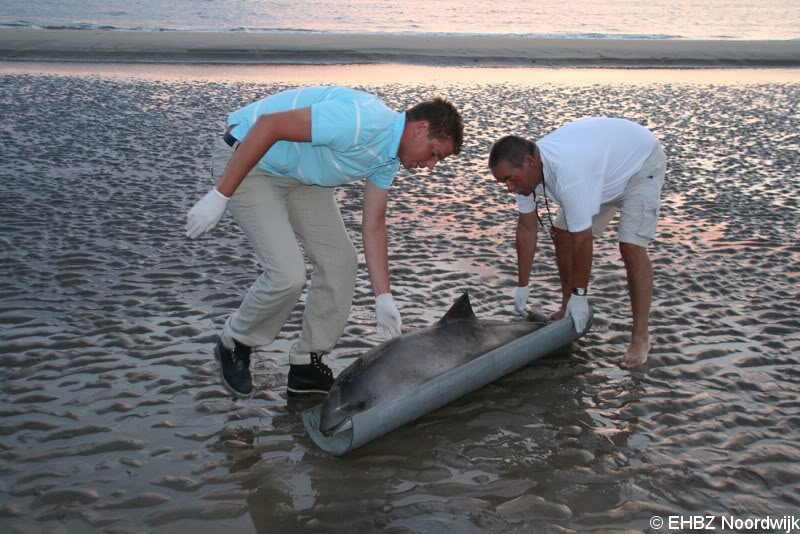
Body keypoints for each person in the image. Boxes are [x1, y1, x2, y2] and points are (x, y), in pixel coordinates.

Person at [185, 86, 463, 397]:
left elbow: (373, 225)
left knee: (341, 262)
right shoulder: (361, 120)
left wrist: (383, 297)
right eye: (435, 153)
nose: (431, 165)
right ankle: (234, 343)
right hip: (250, 161)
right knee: (287, 275)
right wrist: (220, 195)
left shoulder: (387, 160)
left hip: (302, 179)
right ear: (421, 129)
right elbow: (269, 126)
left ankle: (306, 362)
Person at [488, 117, 666, 368]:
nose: (508, 187)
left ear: (529, 163)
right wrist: (523, 285)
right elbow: (527, 228)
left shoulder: (570, 174)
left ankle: (640, 337)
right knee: (561, 233)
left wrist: (581, 295)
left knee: (630, 247)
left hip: (640, 166)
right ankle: (566, 305)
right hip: (600, 175)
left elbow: (582, 239)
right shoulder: (526, 176)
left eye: (509, 179)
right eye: (502, 182)